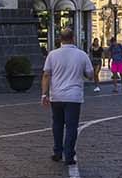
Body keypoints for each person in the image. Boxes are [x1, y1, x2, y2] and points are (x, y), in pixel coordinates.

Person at [40, 25, 95, 164]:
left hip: (56, 96)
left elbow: (46, 75)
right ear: (73, 39)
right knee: (71, 126)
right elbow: (90, 74)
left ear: (60, 39)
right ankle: (69, 155)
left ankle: (57, 152)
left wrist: (44, 94)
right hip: (73, 97)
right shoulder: (82, 55)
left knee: (57, 124)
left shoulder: (52, 55)